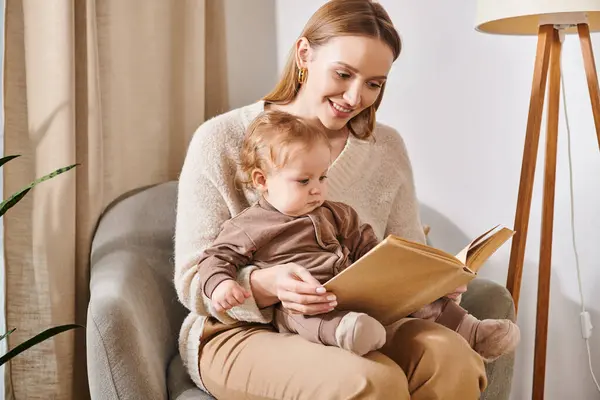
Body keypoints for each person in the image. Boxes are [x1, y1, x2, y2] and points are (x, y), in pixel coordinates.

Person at [175, 0, 493, 398]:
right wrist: (264, 284)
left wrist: (431, 282)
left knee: (452, 356)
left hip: (359, 322)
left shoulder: (386, 148)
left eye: (374, 83)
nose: (355, 96)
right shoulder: (221, 139)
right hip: (241, 331)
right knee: (372, 380)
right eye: (343, 74)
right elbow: (192, 278)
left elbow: (408, 249)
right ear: (304, 53)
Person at [196, 109, 520, 360]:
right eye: (303, 180)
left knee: (418, 297)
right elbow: (215, 258)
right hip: (309, 304)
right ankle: (346, 333)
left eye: (322, 177)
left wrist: (428, 279)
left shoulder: (338, 213)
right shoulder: (250, 225)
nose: (317, 189)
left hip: (360, 291)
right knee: (306, 316)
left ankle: (472, 330)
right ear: (262, 180)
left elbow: (373, 251)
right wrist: (222, 284)